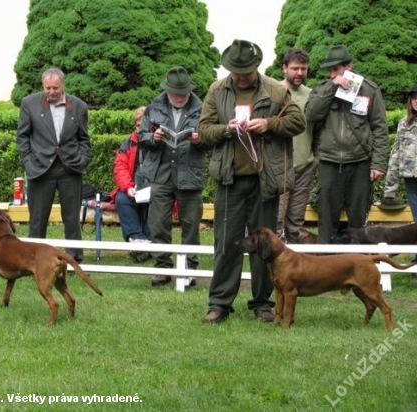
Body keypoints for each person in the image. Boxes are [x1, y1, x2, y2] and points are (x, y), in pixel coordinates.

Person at [198, 39, 305, 323]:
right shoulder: (216, 90)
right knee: (226, 244)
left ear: (256, 66)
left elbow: (298, 122)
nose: (242, 76)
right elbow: (204, 130)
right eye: (236, 70)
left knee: (265, 247)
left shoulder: (276, 90)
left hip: (264, 182)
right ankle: (219, 304)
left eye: (247, 70)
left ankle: (263, 304)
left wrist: (269, 124)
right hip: (229, 181)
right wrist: (226, 129)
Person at [305, 45, 388, 243]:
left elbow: (379, 128)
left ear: (349, 66)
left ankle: (357, 267)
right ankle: (326, 268)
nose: (333, 74)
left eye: (337, 69)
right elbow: (311, 114)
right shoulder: (322, 88)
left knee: (358, 223)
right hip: (330, 162)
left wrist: (378, 163)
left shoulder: (369, 89)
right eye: (330, 70)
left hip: (360, 162)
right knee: (326, 219)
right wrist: (331, 87)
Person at [138, 66, 206, 286]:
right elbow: (141, 136)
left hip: (190, 173)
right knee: (158, 223)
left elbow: (212, 139)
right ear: (167, 90)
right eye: (175, 93)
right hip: (161, 173)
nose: (179, 97)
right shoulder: (154, 106)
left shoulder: (202, 108)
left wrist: (199, 139)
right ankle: (162, 266)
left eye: (183, 93)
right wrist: (153, 136)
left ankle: (189, 268)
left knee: (190, 224)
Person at [17, 68, 90, 263]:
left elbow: (84, 138)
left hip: (70, 169)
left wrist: (82, 159)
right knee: (38, 219)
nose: (51, 92)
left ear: (63, 85)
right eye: (47, 88)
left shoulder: (79, 106)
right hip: (40, 170)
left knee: (72, 218)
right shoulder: (29, 104)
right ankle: (33, 260)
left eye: (55, 88)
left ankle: (75, 259)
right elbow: (22, 137)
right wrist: (28, 161)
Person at [276, 48, 316, 243]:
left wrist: (315, 159)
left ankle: (296, 268)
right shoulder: (274, 91)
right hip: (280, 166)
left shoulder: (312, 95)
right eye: (294, 68)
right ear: (284, 68)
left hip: (305, 166)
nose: (299, 73)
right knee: (277, 219)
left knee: (296, 221)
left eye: (304, 68)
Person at [383, 82, 417, 265]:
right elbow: (396, 154)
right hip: (411, 179)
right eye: (414, 98)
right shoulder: (404, 124)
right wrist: (390, 189)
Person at [111, 106, 152, 263]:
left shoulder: (159, 143)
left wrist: (153, 186)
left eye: (144, 126)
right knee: (121, 199)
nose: (140, 129)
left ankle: (148, 242)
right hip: (132, 188)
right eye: (137, 125)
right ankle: (137, 239)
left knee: (157, 199)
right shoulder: (127, 143)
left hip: (154, 188)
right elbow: (119, 167)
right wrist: (128, 187)